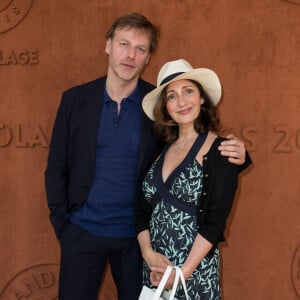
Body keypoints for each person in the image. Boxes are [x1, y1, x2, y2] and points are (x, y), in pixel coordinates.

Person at [44, 13, 249, 300]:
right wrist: (63, 225)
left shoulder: (157, 108)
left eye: (140, 49)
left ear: (148, 57)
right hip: (81, 233)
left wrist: (241, 155)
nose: (130, 55)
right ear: (108, 46)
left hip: (137, 240)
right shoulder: (75, 101)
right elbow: (56, 168)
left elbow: (194, 150)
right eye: (124, 44)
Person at [136, 59, 250, 299]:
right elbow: (141, 212)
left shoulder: (222, 151)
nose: (182, 101)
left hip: (194, 275)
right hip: (156, 273)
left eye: (188, 91)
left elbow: (215, 221)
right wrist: (148, 255)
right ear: (165, 107)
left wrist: (181, 273)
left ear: (201, 99)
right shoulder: (159, 150)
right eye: (172, 96)